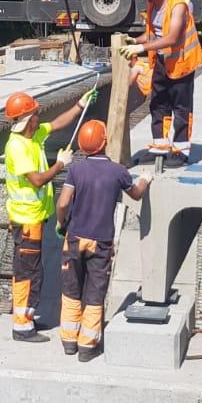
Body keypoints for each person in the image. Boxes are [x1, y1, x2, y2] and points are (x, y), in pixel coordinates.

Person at [4, 86, 97, 343]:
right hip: (26, 221)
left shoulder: (32, 137)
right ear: (26, 120)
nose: (39, 116)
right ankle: (22, 325)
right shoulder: (18, 147)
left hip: (32, 219)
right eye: (35, 113)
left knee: (32, 270)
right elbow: (36, 180)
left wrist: (80, 105)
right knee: (27, 273)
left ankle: (27, 319)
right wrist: (61, 164)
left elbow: (56, 124)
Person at [54, 119, 150, 361]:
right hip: (101, 242)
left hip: (75, 237)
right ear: (105, 141)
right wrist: (145, 180)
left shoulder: (76, 169)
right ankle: (87, 346)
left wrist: (61, 222)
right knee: (95, 292)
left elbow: (63, 202)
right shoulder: (118, 171)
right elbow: (136, 195)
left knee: (71, 289)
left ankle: (68, 340)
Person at [122, 0, 202, 164]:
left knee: (181, 107)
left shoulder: (178, 6)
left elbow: (173, 38)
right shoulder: (153, 6)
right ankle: (160, 146)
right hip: (161, 62)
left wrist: (141, 49)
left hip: (181, 63)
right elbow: (153, 34)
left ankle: (181, 150)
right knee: (158, 103)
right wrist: (136, 41)